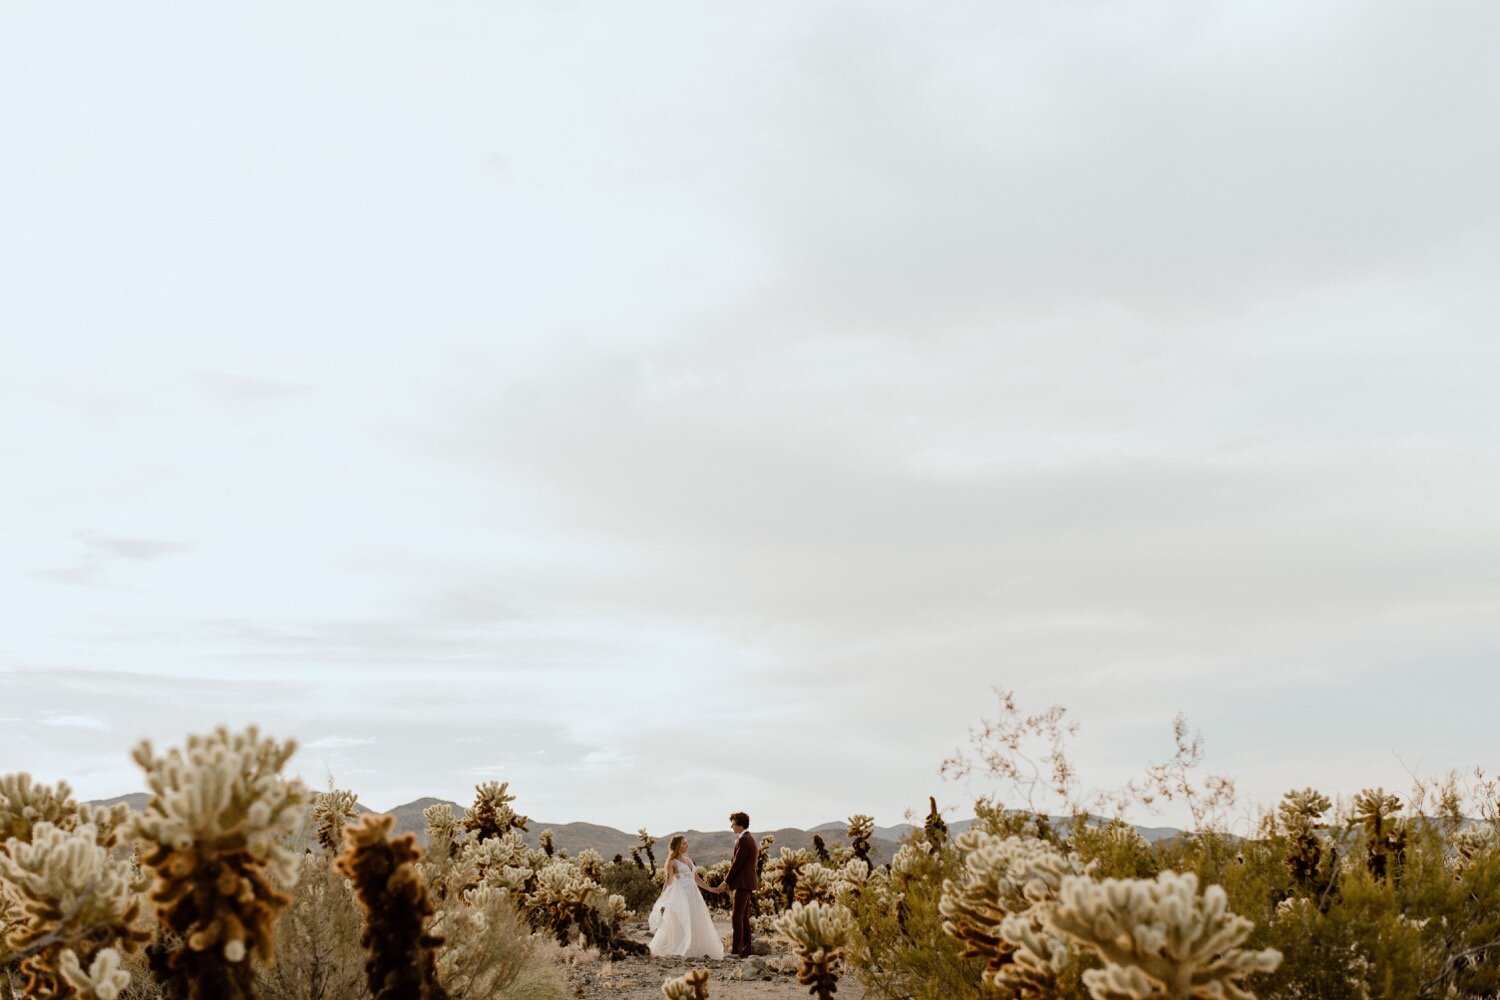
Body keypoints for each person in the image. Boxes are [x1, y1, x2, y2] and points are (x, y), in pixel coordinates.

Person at [648, 835, 725, 959]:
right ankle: (681, 947)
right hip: (680, 894)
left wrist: (710, 889)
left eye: (686, 843)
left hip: (693, 894)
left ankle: (695, 949)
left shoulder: (688, 860)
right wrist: (663, 898)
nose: (686, 845)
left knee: (696, 919)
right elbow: (668, 881)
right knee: (681, 919)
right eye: (684, 843)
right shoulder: (672, 862)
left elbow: (696, 878)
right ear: (677, 846)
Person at [713, 811, 759, 957]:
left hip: (742, 882)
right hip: (746, 882)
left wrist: (725, 882)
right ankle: (746, 949)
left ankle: (736, 951)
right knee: (743, 916)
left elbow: (736, 864)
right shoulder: (748, 838)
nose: (731, 826)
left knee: (737, 916)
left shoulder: (744, 840)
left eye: (733, 823)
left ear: (739, 824)